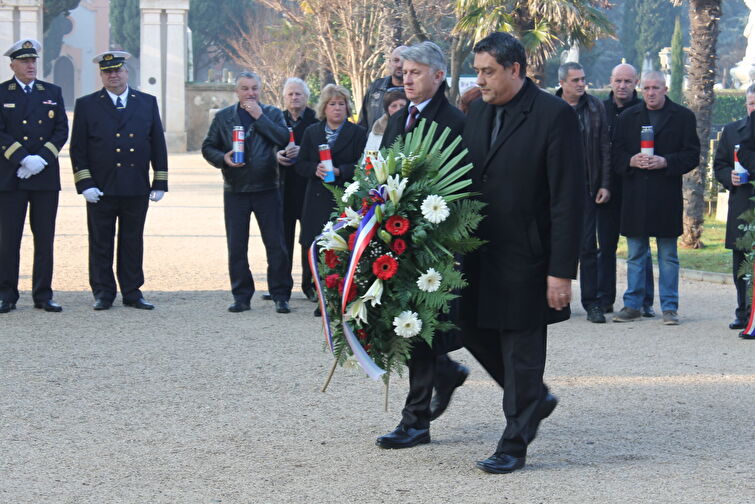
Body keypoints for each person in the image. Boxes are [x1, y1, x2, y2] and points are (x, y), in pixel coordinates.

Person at [461, 32, 584, 474]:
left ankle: (514, 442)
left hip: (527, 259)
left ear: (515, 69)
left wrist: (560, 271)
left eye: (488, 71)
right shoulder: (476, 109)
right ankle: (533, 398)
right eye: (478, 70)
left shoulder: (555, 116)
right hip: (476, 253)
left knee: (521, 352)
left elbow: (569, 198)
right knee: (467, 328)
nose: (481, 79)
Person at [375, 42, 470, 450]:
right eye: (404, 72)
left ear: (438, 76)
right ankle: (443, 375)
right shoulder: (398, 120)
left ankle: (415, 421)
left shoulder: (455, 123)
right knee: (412, 327)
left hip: (436, 243)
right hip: (398, 238)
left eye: (416, 72)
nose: (406, 78)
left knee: (421, 328)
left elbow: (463, 186)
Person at [70, 51, 167, 311]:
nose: (113, 75)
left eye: (117, 70)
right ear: (101, 75)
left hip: (135, 184)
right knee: (101, 240)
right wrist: (85, 183)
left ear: (126, 72)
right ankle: (103, 292)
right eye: (107, 71)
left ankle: (132, 291)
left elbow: (157, 142)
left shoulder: (146, 102)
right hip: (101, 186)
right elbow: (78, 148)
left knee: (132, 239)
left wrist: (159, 181)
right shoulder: (87, 104)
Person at [611, 71, 700, 325]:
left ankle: (670, 307)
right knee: (635, 254)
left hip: (666, 197)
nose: (651, 92)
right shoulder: (628, 117)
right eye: (647, 87)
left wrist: (666, 162)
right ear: (642, 88)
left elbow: (692, 155)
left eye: (656, 88)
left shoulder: (683, 117)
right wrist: (631, 160)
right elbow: (615, 154)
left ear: (666, 88)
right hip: (636, 196)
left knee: (668, 256)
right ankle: (633, 305)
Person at [201, 71, 293, 314]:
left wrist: (259, 117)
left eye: (254, 88)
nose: (250, 93)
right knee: (237, 245)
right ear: (237, 91)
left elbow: (283, 138)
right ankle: (241, 296)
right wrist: (223, 158)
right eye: (245, 88)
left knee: (276, 245)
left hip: (267, 188)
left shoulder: (272, 113)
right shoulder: (223, 117)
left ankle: (280, 294)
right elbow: (208, 146)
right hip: (236, 189)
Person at [0, 39, 68, 314]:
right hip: (11, 176)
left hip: (44, 177)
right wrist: (22, 157)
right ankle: (6, 294)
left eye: (33, 61)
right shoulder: (2, 93)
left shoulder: (51, 91)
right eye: (24, 61)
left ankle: (43, 294)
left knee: (44, 237)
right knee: (8, 238)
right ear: (12, 65)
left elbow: (61, 130)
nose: (30, 65)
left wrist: (40, 159)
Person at [297, 84, 366, 315]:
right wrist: (313, 168)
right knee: (315, 246)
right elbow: (301, 164)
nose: (337, 108)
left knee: (339, 248)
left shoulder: (358, 133)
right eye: (332, 104)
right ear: (324, 108)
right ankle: (318, 295)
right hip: (316, 197)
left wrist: (340, 171)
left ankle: (337, 296)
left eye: (341, 104)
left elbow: (362, 165)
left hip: (343, 199)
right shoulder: (311, 132)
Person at [555, 62, 611, 324]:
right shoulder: (550, 107)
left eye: (583, 79)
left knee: (588, 248)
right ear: (562, 83)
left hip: (587, 188)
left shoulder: (595, 107)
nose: (580, 84)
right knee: (553, 245)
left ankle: (592, 303)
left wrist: (605, 183)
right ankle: (554, 302)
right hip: (554, 189)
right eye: (575, 80)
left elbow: (604, 148)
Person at [602, 63, 655, 317]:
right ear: (611, 81)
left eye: (628, 81)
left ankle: (644, 300)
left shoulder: (645, 111)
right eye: (618, 81)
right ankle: (604, 299)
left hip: (637, 187)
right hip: (607, 187)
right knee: (606, 246)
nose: (622, 86)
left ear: (636, 83)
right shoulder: (600, 110)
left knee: (640, 247)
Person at [713, 84, 755, 332]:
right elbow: (719, 165)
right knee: (741, 260)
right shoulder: (731, 132)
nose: (754, 109)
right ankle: (744, 312)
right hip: (741, 204)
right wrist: (730, 176)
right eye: (751, 104)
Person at [276, 77, 319, 303]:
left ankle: (310, 285)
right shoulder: (277, 119)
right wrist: (278, 155)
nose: (294, 97)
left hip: (308, 188)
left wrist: (302, 153)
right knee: (281, 240)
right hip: (282, 188)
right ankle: (280, 287)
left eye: (299, 94)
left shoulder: (316, 119)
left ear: (306, 97)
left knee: (309, 240)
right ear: (284, 97)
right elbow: (267, 147)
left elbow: (322, 149)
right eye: (291, 94)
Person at [357, 45, 407, 131]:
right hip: (373, 142)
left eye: (404, 61)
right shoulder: (376, 87)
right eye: (396, 60)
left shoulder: (416, 91)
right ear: (389, 63)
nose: (399, 65)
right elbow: (363, 122)